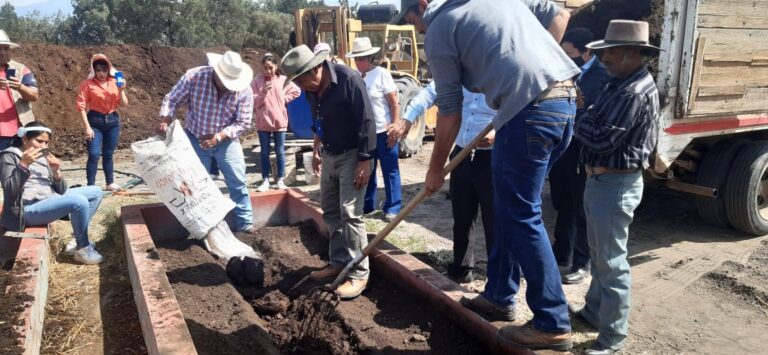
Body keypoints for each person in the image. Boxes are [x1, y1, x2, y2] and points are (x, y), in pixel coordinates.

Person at [410, 0, 579, 351]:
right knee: (512, 209)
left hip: (530, 111)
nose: (418, 30)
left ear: (424, 5)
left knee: (520, 213)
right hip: (563, 100)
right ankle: (500, 294)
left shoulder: (440, 26)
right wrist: (536, 74)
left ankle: (552, 320)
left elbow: (450, 111)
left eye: (414, 21)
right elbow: (560, 14)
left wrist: (434, 169)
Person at [573, 20, 660, 355]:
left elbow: (600, 136)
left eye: (609, 52)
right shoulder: (620, 82)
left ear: (629, 53)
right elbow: (596, 121)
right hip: (604, 179)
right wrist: (587, 115)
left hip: (615, 181)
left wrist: (578, 113)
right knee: (600, 255)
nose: (604, 58)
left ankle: (613, 338)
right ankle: (595, 313)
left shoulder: (633, 91)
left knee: (611, 262)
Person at [280, 45, 376, 300]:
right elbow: (318, 118)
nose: (302, 86)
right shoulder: (312, 89)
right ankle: (338, 262)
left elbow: (367, 119)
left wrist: (365, 159)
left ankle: (358, 273)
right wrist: (316, 147)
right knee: (331, 210)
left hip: (353, 155)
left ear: (316, 68)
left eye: (303, 80)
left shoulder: (348, 79)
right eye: (297, 82)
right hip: (329, 153)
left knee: (351, 212)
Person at [393, 81, 496, 283]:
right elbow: (428, 94)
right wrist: (407, 118)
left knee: (494, 219)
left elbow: (516, 110)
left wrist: (498, 134)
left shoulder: (497, 72)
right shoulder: (457, 72)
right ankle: (462, 268)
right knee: (462, 214)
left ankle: (497, 277)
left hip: (493, 157)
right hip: (462, 154)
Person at [158, 51, 255, 233]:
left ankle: (245, 223)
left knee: (237, 182)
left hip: (227, 142)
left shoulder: (244, 90)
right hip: (195, 138)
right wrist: (165, 120)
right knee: (192, 184)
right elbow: (172, 99)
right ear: (216, 72)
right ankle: (196, 226)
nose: (228, 87)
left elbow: (243, 122)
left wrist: (218, 137)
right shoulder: (194, 77)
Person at [550, 28, 611, 284]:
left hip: (582, 149)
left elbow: (598, 116)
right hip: (560, 147)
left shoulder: (601, 78)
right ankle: (560, 254)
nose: (565, 57)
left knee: (580, 208)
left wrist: (581, 106)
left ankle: (581, 262)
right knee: (561, 203)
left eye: (570, 53)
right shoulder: (562, 72)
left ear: (586, 52)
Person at [0, 122, 104, 264]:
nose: (43, 146)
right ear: (24, 139)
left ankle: (77, 239)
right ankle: (83, 248)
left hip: (47, 199)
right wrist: (24, 165)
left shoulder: (43, 157)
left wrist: (56, 171)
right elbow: (10, 191)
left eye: (46, 142)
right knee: (78, 201)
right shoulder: (9, 156)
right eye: (39, 141)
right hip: (27, 209)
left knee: (95, 192)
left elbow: (61, 190)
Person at [346, 37, 402, 221]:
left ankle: (393, 206)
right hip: (364, 134)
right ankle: (367, 204)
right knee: (366, 170)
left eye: (361, 58)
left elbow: (394, 104)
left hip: (383, 131)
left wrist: (394, 127)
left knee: (390, 169)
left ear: (370, 58)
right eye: (356, 58)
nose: (358, 62)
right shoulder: (353, 76)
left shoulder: (382, 74)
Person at [76, 54, 129, 191]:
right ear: (93, 70)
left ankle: (109, 183)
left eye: (104, 70)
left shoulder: (114, 82)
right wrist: (87, 127)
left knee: (108, 154)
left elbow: (124, 104)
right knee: (94, 154)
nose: (101, 73)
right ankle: (91, 185)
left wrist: (122, 90)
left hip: (112, 121)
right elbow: (81, 107)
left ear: (109, 69)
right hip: (95, 121)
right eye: (98, 70)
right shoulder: (87, 84)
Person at [252, 53, 301, 192]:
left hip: (279, 120)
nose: (268, 71)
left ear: (276, 66)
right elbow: (252, 100)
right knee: (264, 152)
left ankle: (280, 179)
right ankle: (265, 180)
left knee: (280, 151)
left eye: (270, 68)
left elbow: (297, 91)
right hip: (263, 121)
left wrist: (283, 99)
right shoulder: (257, 81)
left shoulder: (283, 80)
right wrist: (262, 94)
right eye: (265, 68)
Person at [0, 30, 38, 151]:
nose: (2, 53)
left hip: (20, 132)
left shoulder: (21, 69)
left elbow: (34, 95)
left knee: (20, 167)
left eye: (6, 48)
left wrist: (20, 87)